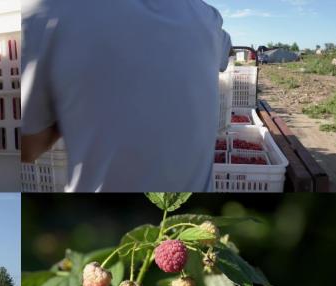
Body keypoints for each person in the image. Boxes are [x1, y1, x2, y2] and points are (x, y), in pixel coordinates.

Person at [21, 0, 233, 192]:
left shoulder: (46, 12)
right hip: (191, 211)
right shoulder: (207, 17)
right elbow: (225, 52)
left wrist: (72, 103)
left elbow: (27, 148)